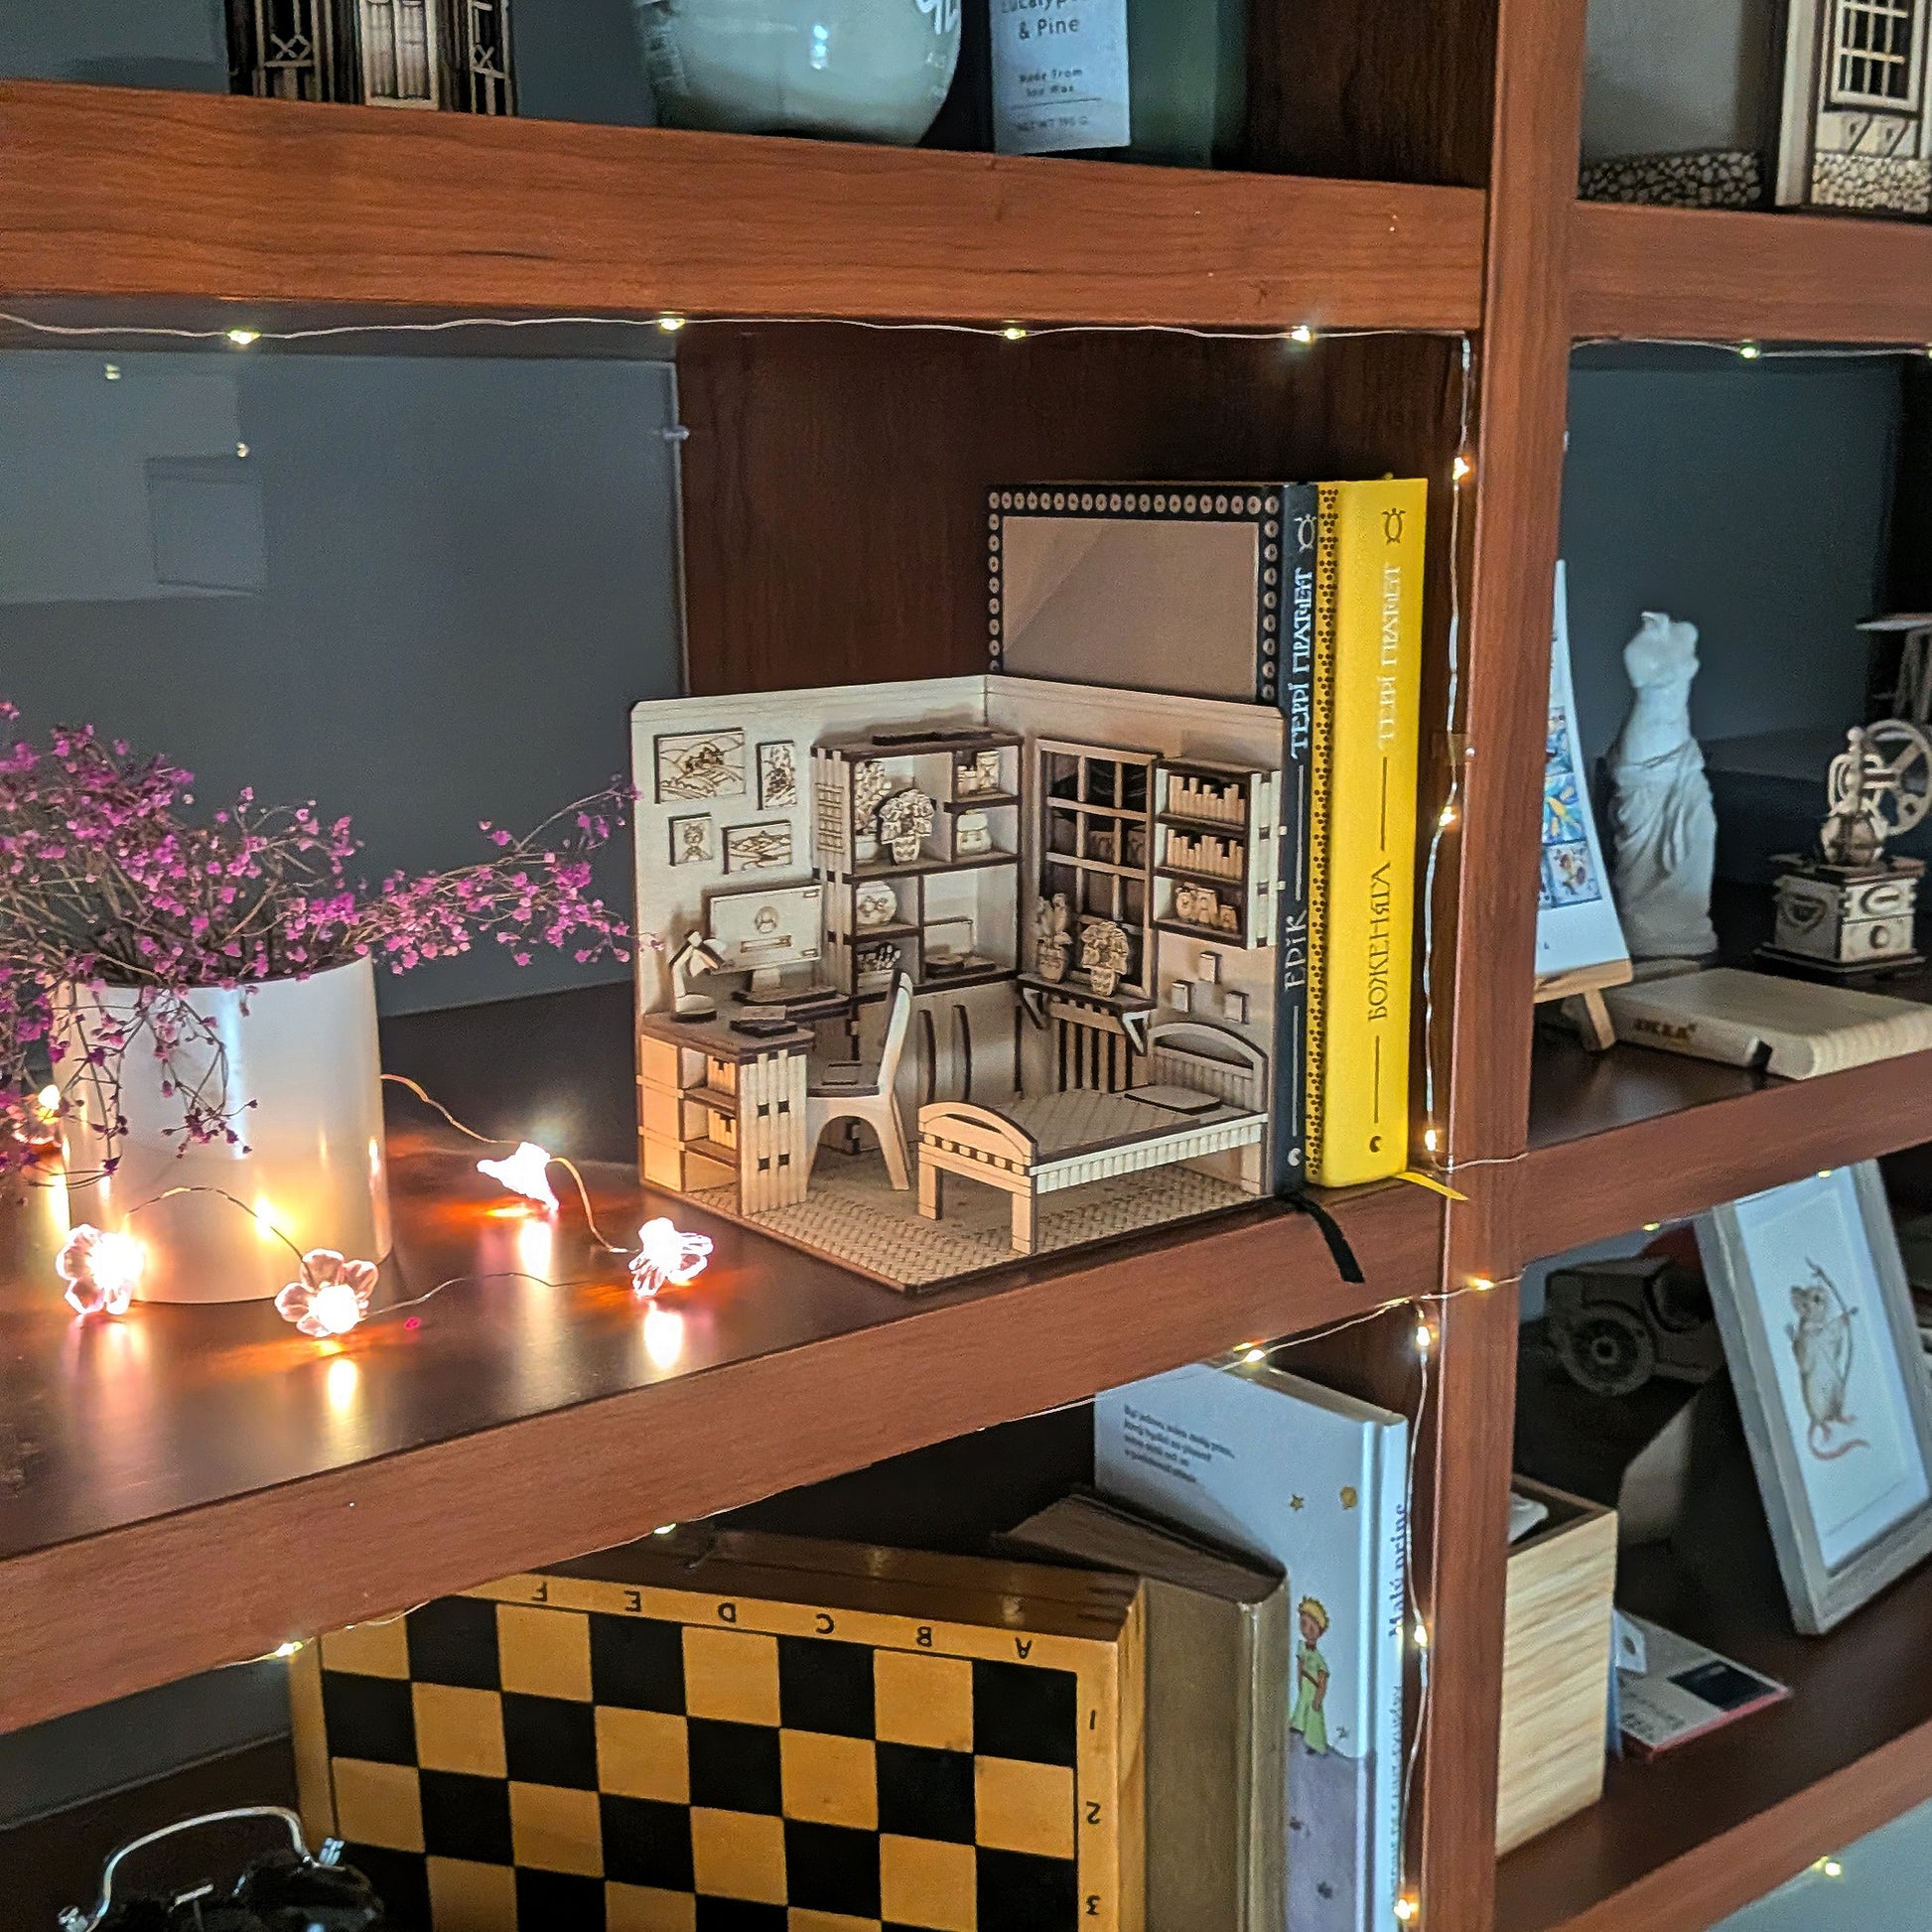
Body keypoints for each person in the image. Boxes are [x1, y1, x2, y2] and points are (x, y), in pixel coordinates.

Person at [1291, 1594, 1331, 1753]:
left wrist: (1319, 1697)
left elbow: (1323, 1680)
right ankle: (1297, 1729)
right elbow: (1299, 1666)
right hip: (1305, 1687)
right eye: (1304, 1624)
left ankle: (1315, 1744)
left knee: (1313, 1715)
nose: (1307, 1630)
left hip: (1313, 1689)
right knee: (1301, 1707)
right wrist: (1299, 1680)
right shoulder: (1302, 1648)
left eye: (1312, 1627)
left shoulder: (1319, 1658)